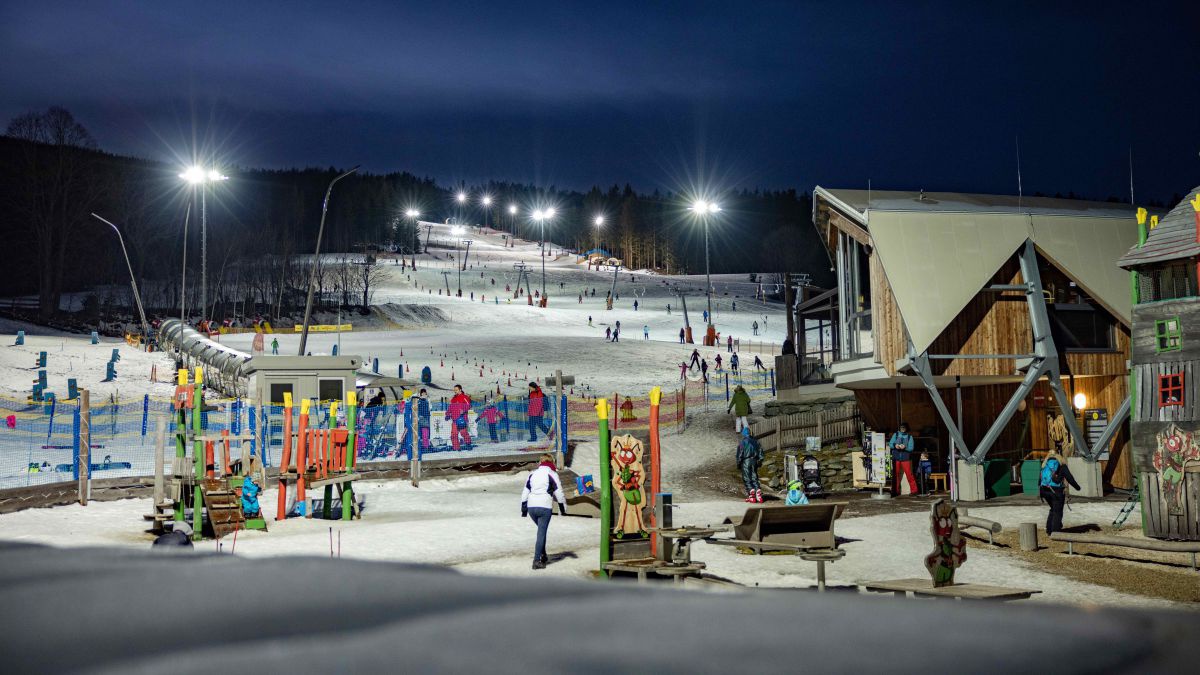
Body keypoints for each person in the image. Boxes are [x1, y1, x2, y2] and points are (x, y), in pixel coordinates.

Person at [521, 454, 568, 569]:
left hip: (532, 507)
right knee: (541, 533)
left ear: (540, 462)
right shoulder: (552, 474)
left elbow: (525, 492)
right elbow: (559, 493)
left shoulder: (532, 474)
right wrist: (563, 509)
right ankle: (536, 561)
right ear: (552, 462)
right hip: (544, 507)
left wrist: (524, 509)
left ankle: (543, 555)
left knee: (541, 531)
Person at [1040, 451, 1081, 535]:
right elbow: (1070, 478)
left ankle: (1049, 530)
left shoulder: (1045, 464)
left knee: (1053, 509)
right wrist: (1077, 488)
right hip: (1056, 492)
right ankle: (1056, 533)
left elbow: (1040, 479)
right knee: (1058, 512)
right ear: (1060, 457)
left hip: (1044, 490)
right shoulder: (1062, 465)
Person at [889, 422, 918, 496]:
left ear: (906, 428)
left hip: (905, 457)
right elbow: (890, 444)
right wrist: (895, 446)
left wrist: (905, 447)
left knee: (909, 474)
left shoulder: (909, 437)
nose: (902, 429)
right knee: (896, 475)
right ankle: (895, 491)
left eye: (904, 428)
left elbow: (911, 448)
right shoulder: (896, 434)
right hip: (896, 457)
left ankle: (914, 491)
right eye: (901, 427)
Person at [736, 427, 764, 503]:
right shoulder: (756, 441)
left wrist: (738, 463)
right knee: (754, 476)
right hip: (754, 460)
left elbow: (740, 453)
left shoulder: (743, 442)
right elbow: (761, 451)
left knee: (747, 478)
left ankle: (751, 494)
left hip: (746, 461)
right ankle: (757, 490)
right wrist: (760, 460)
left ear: (744, 434)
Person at [447, 385, 473, 451]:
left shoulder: (464, 397)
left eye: (456, 389)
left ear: (460, 390)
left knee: (463, 433)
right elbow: (450, 407)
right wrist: (447, 414)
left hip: (462, 418)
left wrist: (463, 410)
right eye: (454, 390)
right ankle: (456, 448)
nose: (455, 391)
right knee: (453, 434)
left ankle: (468, 444)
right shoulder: (453, 399)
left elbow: (469, 405)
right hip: (454, 419)